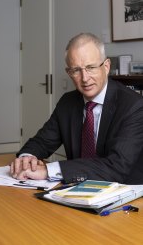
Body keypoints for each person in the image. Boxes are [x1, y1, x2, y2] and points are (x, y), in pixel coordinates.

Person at [10, 32, 143, 184]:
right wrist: (26, 159)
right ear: (69, 72)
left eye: (91, 67)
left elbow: (116, 166)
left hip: (125, 192)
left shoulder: (133, 106)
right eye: (76, 70)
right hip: (77, 190)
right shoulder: (68, 103)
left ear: (106, 67)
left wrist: (49, 170)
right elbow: (41, 142)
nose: (85, 78)